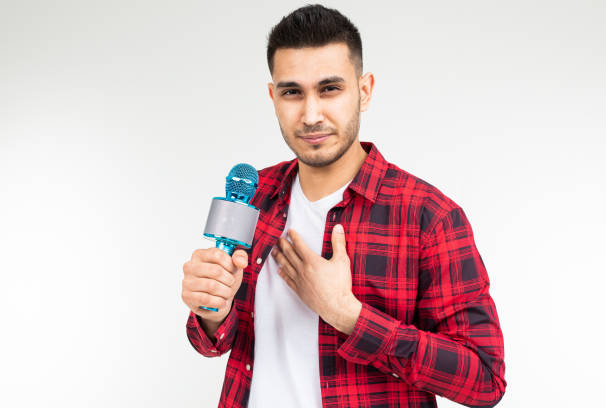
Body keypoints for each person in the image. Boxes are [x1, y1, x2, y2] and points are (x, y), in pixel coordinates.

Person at [181, 4, 506, 407]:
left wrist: (349, 316)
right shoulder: (256, 194)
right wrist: (212, 310)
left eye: (329, 89)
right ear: (272, 96)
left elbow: (485, 380)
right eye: (292, 92)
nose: (311, 114)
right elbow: (215, 343)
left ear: (364, 90)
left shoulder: (429, 216)